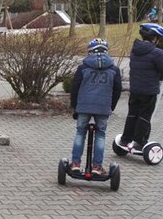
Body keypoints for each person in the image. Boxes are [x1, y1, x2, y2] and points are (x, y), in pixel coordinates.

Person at [70, 38, 122, 175]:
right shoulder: (114, 69)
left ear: (90, 52)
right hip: (103, 107)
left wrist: (75, 107)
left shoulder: (83, 68)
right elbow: (117, 90)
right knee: (101, 135)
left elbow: (74, 88)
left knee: (80, 132)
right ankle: (97, 167)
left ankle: (75, 163)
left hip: (84, 106)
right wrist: (111, 106)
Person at [118, 23, 163, 152]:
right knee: (144, 116)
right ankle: (139, 141)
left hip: (135, 89)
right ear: (154, 38)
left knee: (132, 114)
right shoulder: (157, 53)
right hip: (149, 90)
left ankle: (125, 139)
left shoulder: (135, 49)